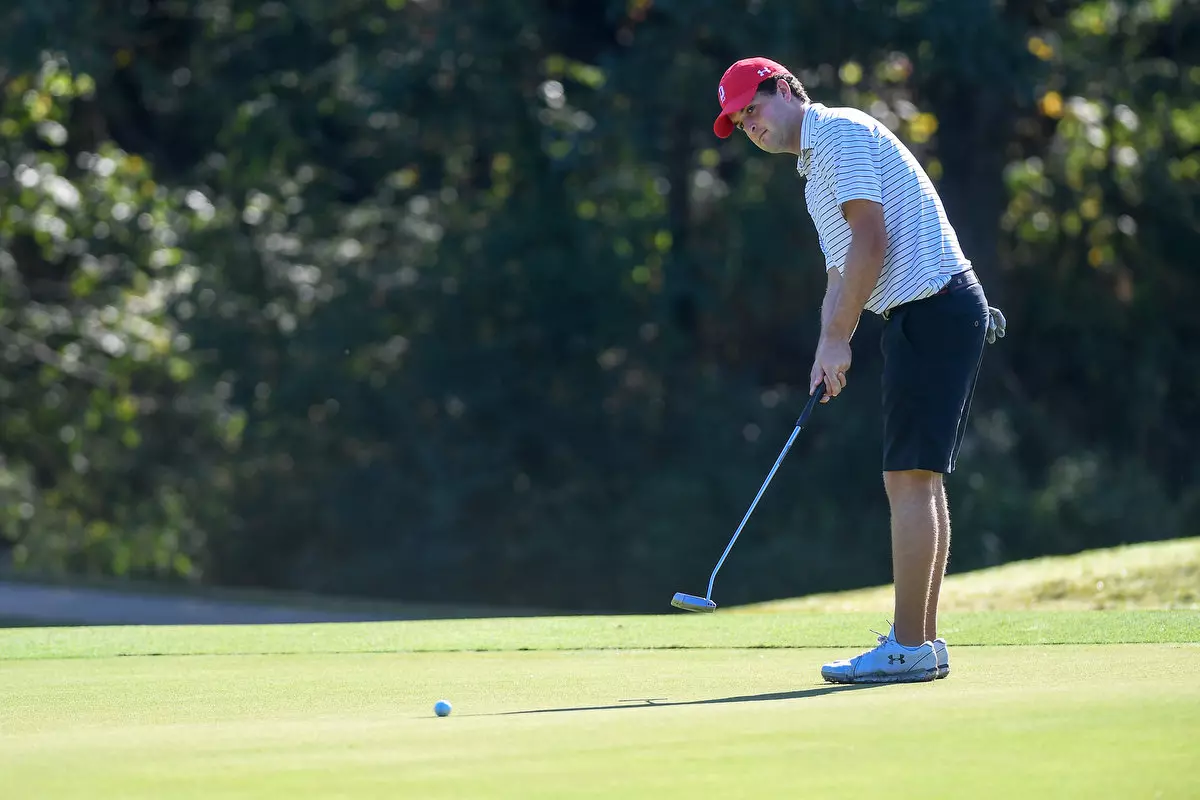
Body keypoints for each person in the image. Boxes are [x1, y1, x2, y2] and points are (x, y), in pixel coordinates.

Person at [712, 56, 1006, 683]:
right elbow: (840, 272)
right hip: (923, 313)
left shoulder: (838, 134)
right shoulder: (813, 172)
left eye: (753, 109)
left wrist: (838, 339)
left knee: (908, 479)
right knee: (918, 479)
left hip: (934, 305)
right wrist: (828, 345)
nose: (750, 126)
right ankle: (921, 642)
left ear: (785, 90)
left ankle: (907, 645)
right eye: (739, 122)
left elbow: (872, 241)